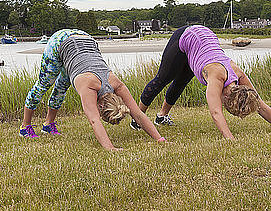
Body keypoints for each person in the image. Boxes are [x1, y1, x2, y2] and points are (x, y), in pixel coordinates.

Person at [130, 25, 271, 139]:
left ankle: (161, 117)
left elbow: (261, 105)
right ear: (226, 98)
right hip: (188, 35)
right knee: (162, 79)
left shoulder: (238, 74)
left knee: (181, 82)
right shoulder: (216, 77)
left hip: (204, 45)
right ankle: (137, 119)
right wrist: (229, 138)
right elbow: (216, 113)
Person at [20, 29, 167, 150]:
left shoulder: (117, 84)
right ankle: (25, 127)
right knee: (43, 85)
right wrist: (110, 148)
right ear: (101, 105)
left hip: (86, 40)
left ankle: (48, 125)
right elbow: (94, 120)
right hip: (60, 41)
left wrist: (160, 139)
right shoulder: (88, 86)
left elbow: (138, 114)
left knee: (61, 87)